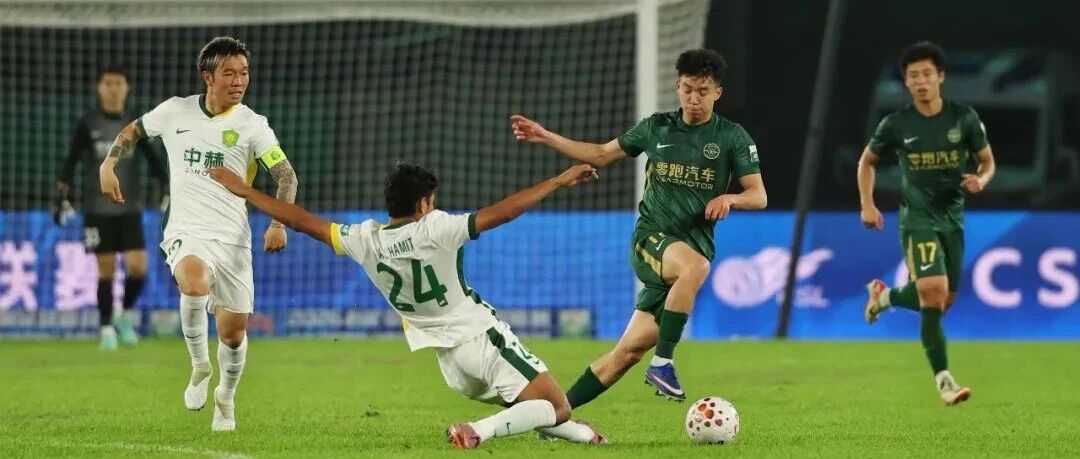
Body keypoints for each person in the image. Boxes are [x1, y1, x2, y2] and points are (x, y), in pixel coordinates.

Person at [208, 162, 608, 449]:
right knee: (556, 406)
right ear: (423, 203)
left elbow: (299, 219)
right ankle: (476, 431)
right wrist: (557, 180)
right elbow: (502, 213)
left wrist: (245, 191)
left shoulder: (365, 239)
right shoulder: (437, 228)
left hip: (450, 366)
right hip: (481, 339)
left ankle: (586, 436)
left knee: (528, 406)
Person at [510, 48, 767, 404]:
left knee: (626, 354)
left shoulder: (732, 137)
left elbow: (758, 196)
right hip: (650, 240)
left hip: (689, 251)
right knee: (696, 267)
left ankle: (554, 417)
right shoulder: (655, 128)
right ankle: (663, 363)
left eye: (702, 91)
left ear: (717, 93)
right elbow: (601, 154)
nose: (694, 98)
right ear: (677, 87)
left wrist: (729, 199)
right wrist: (546, 136)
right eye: (688, 89)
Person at [99, 37, 299, 431]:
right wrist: (108, 164)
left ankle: (226, 397)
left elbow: (287, 176)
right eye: (229, 73)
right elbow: (133, 131)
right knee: (192, 281)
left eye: (244, 73)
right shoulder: (175, 111)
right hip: (186, 229)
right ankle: (199, 365)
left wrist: (278, 224)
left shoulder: (253, 125)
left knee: (233, 335)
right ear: (208, 77)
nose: (239, 81)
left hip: (233, 239)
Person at [858, 41, 996, 406]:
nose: (921, 81)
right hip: (917, 218)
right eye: (913, 75)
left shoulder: (963, 118)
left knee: (941, 302)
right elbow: (867, 162)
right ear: (906, 81)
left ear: (941, 77)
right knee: (932, 292)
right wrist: (868, 204)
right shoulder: (896, 123)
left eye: (927, 74)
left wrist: (981, 180)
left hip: (953, 219)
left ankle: (885, 296)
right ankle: (944, 381)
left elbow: (987, 161)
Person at [55, 65, 169, 350]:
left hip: (129, 209)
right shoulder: (88, 123)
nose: (114, 89)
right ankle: (106, 328)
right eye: (108, 83)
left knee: (138, 269)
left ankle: (123, 316)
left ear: (126, 88)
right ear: (99, 88)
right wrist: (60, 195)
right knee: (105, 271)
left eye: (119, 83)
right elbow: (71, 159)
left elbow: (154, 160)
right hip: (97, 210)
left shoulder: (134, 124)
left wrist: (168, 187)